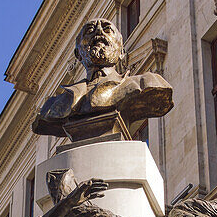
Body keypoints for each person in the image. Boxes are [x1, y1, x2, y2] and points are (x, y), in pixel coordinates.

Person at [33, 18, 172, 137]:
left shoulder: (146, 83)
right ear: (78, 54)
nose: (99, 32)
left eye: (107, 29)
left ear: (122, 52)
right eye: (90, 30)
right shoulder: (54, 105)